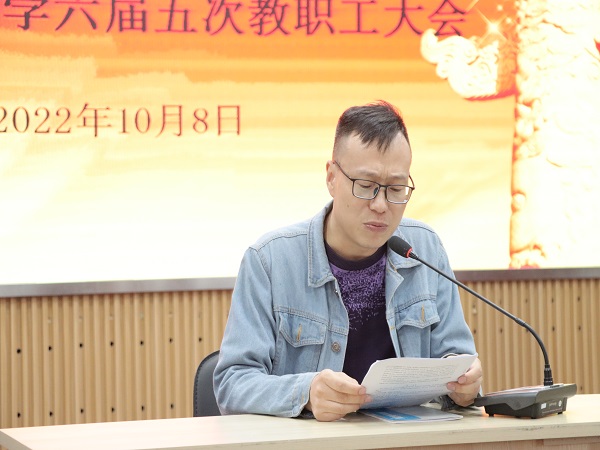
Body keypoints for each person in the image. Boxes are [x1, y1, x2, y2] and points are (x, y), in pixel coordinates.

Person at [213, 100, 483, 421]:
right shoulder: (270, 261)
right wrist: (305, 393)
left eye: (396, 188)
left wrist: (465, 384)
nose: (381, 205)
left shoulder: (424, 248)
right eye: (366, 186)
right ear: (331, 178)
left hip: (408, 439)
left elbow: (459, 360)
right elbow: (232, 383)